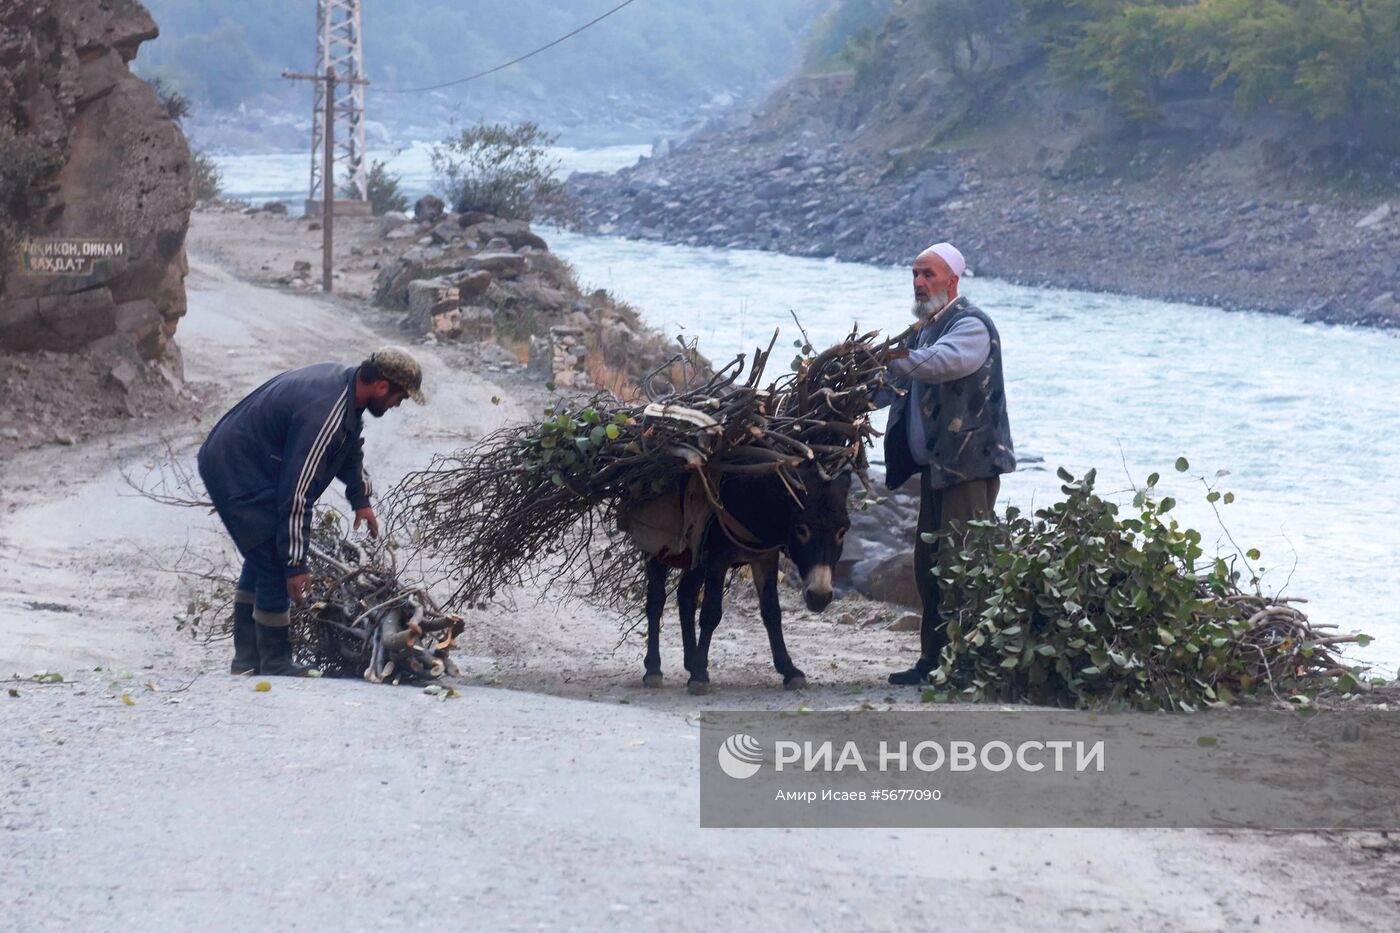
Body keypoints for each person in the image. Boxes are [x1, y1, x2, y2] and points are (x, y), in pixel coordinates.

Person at [197, 347, 426, 676]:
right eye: (399, 398)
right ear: (381, 387)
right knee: (275, 559)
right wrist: (296, 564)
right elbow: (297, 492)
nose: (396, 406)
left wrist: (360, 498)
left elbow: (349, 444)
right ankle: (273, 661)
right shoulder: (325, 412)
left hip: (244, 459)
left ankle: (247, 660)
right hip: (236, 466)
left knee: (262, 555)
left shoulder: (345, 391)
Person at [875, 243, 1015, 685]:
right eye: (915, 274)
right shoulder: (922, 331)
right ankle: (931, 662)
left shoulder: (970, 326)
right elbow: (891, 384)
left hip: (968, 469)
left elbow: (945, 364)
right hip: (937, 471)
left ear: (952, 280)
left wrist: (893, 361)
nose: (919, 282)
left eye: (928, 275)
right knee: (928, 566)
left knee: (963, 567)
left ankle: (966, 665)